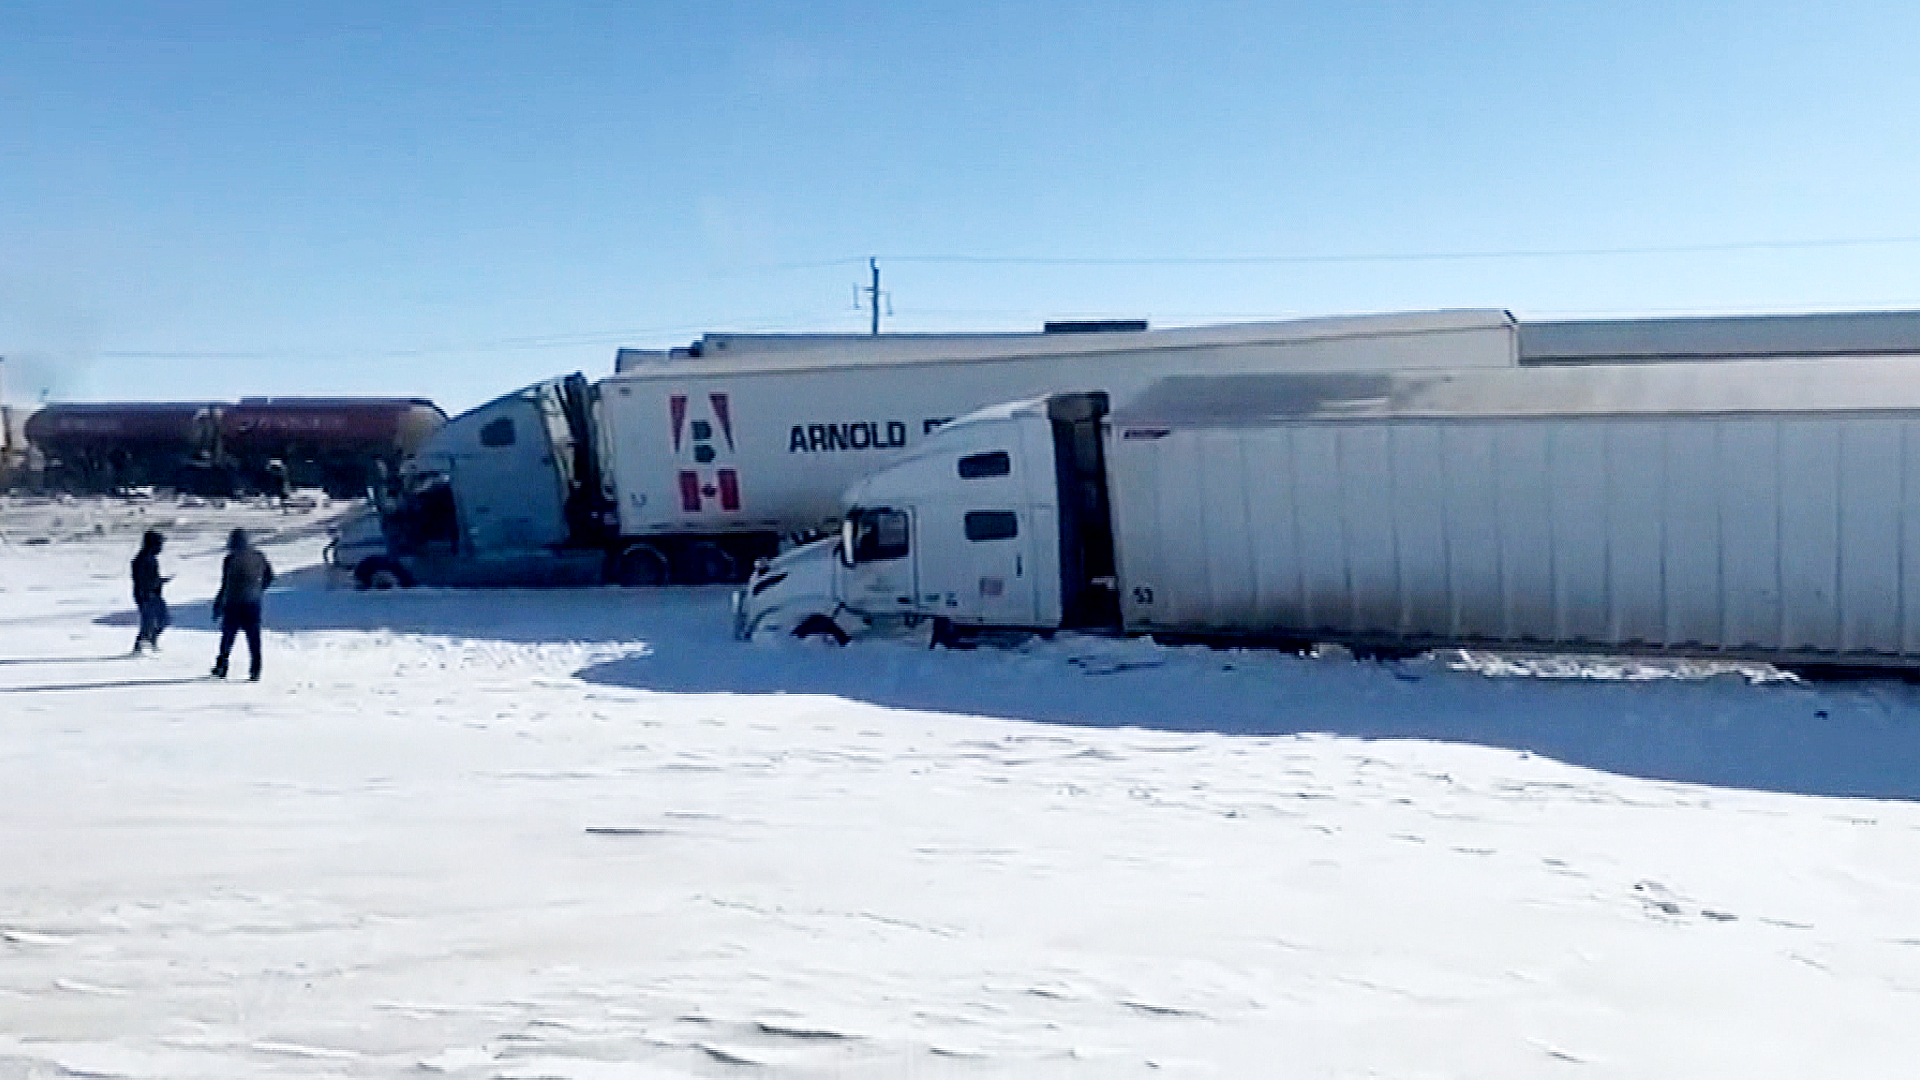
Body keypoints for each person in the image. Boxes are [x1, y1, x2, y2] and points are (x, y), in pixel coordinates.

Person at [212, 527, 274, 681]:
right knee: (254, 638)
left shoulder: (230, 559)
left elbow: (225, 584)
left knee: (228, 637)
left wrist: (218, 604)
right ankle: (255, 670)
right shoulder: (259, 556)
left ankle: (222, 666)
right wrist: (258, 589)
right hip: (253, 603)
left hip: (233, 603)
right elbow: (270, 576)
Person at [130, 530, 170, 653]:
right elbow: (142, 580)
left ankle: (151, 642)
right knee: (149, 621)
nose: (161, 547)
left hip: (153, 594)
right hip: (146, 595)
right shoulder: (142, 559)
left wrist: (160, 581)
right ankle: (142, 645)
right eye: (159, 543)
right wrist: (158, 582)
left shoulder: (150, 558)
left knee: (162, 619)